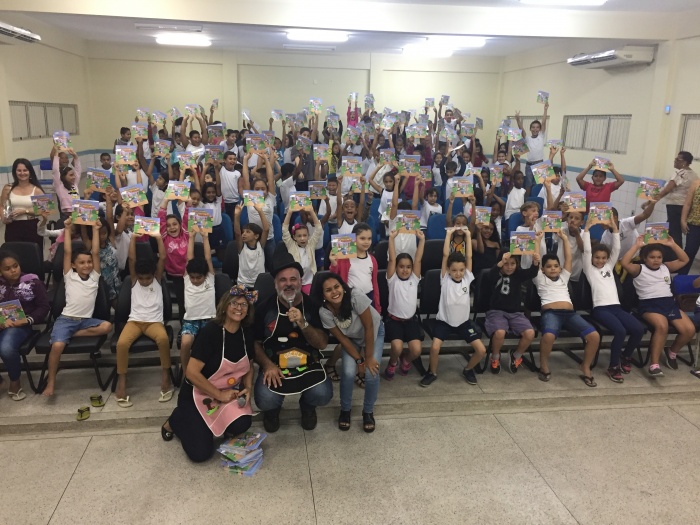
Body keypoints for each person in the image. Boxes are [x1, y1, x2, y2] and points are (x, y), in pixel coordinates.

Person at [162, 286, 256, 463]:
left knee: (243, 422)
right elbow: (191, 373)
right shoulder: (210, 332)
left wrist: (248, 388)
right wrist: (219, 394)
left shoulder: (247, 333)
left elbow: (249, 365)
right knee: (201, 454)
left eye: (244, 304)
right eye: (234, 303)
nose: (239, 308)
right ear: (225, 306)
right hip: (197, 394)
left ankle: (212, 426)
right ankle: (176, 420)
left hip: (227, 393)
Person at [253, 256, 332, 433]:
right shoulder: (264, 308)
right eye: (283, 280)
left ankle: (307, 406)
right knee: (265, 399)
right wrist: (267, 365)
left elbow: (322, 344)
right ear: (275, 284)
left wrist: (303, 324)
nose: (288, 284)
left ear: (301, 282)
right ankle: (272, 412)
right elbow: (254, 343)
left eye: (293, 279)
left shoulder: (313, 306)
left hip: (308, 364)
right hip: (275, 366)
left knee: (322, 394)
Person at [42, 219, 113, 396]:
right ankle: (51, 382)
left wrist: (95, 229)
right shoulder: (69, 276)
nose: (87, 265)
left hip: (85, 321)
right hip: (66, 319)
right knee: (57, 346)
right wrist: (67, 229)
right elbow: (67, 252)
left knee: (107, 326)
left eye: (88, 262)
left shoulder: (95, 277)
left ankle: (70, 335)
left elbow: (95, 252)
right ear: (74, 265)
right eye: (81, 263)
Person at [316, 273, 384, 433]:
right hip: (350, 338)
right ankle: (345, 410)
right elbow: (342, 339)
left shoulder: (355, 296)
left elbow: (369, 327)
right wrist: (359, 360)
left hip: (373, 332)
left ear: (343, 287)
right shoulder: (324, 312)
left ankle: (368, 411)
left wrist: (368, 358)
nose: (334, 292)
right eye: (328, 290)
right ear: (323, 295)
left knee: (372, 372)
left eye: (337, 287)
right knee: (347, 372)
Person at [419, 227, 486, 387]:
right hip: (444, 323)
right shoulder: (445, 279)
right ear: (448, 270)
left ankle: (468, 369)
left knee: (481, 350)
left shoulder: (467, 278)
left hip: (463, 323)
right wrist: (448, 235)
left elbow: (469, 256)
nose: (458, 273)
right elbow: (445, 255)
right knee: (434, 348)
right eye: (454, 270)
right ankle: (432, 372)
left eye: (461, 270)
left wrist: (468, 235)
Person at [621, 235, 695, 376]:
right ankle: (654, 365)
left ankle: (672, 352)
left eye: (659, 257)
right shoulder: (639, 269)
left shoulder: (666, 267)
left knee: (689, 330)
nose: (656, 260)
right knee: (662, 326)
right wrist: (637, 246)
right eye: (652, 257)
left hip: (669, 304)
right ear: (644, 258)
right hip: (649, 305)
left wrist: (672, 244)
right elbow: (624, 262)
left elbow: (685, 260)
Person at [582, 217, 644, 382]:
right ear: (592, 258)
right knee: (620, 331)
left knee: (638, 329)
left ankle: (626, 356)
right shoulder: (589, 270)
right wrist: (587, 228)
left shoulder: (609, 267)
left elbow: (616, 248)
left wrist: (615, 229)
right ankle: (613, 366)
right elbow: (587, 251)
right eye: (597, 258)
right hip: (600, 309)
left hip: (616, 308)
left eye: (603, 258)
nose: (600, 260)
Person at [534, 230, 600, 386]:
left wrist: (564, 238)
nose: (553, 269)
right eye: (548, 266)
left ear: (560, 268)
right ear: (543, 269)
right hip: (551, 314)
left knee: (594, 336)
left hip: (570, 314)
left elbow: (569, 258)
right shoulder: (539, 278)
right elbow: (536, 258)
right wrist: (537, 240)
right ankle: (543, 365)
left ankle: (585, 366)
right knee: (548, 336)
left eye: (556, 266)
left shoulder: (563, 277)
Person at [0, 250, 50, 401]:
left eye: (15, 266)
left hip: (21, 325)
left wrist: (27, 320)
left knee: (6, 348)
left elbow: (44, 307)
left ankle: (15, 381)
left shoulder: (32, 282)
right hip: (2, 322)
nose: (13, 270)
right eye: (7, 269)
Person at [485, 252, 538, 374]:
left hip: (515, 313)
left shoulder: (518, 274)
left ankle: (516, 356)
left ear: (517, 264)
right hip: (496, 311)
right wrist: (501, 263)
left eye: (512, 264)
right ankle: (495, 357)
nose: (509, 267)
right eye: (506, 264)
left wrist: (535, 262)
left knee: (530, 333)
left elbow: (532, 272)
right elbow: (490, 275)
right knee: (500, 332)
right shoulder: (496, 274)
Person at [382, 229, 425, 380]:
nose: (405, 270)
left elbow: (418, 259)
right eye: (401, 266)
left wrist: (422, 240)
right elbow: (392, 259)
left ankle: (405, 360)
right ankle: (393, 363)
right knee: (397, 347)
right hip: (394, 321)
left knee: (416, 350)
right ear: (396, 268)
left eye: (408, 267)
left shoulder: (414, 278)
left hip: (411, 321)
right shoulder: (392, 279)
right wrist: (391, 239)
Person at [180, 232, 216, 375]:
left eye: (198, 277)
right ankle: (186, 372)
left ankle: (211, 369)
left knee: (211, 344)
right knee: (185, 343)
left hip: (209, 320)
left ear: (205, 275)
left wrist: (205, 237)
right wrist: (191, 237)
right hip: (190, 320)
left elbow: (208, 258)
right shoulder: (187, 279)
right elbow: (189, 258)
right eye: (192, 277)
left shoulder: (210, 278)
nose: (194, 280)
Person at [0, 159, 46, 250]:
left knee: (33, 254)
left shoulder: (37, 189)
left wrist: (25, 211)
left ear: (30, 171)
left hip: (32, 226)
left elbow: (46, 210)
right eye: (19, 170)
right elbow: (1, 205)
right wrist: (3, 217)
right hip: (12, 227)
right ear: (15, 172)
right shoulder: (8, 188)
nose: (22, 173)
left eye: (25, 170)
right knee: (13, 253)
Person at [657, 151, 697, 247]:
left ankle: (675, 253)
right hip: (685, 207)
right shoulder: (694, 175)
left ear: (685, 162)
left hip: (675, 206)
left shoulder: (680, 173)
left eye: (677, 159)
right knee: (674, 229)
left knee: (674, 232)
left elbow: (667, 189)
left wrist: (653, 200)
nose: (674, 161)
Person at [282, 206, 323, 294]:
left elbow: (318, 229)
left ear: (308, 236)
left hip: (308, 282)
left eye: (305, 235)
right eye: (299, 236)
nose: (302, 238)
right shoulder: (291, 245)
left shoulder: (310, 245)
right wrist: (289, 212)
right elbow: (285, 229)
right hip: (295, 284)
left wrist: (311, 211)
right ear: (294, 237)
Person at [233, 202, 269, 288]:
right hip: (243, 284)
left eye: (248, 232)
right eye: (243, 232)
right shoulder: (241, 247)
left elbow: (266, 229)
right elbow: (237, 233)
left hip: (259, 284)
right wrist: (237, 216)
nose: (244, 234)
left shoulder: (260, 245)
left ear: (256, 236)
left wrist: (260, 211)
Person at [679, 176, 700, 274]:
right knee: (689, 252)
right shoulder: (696, 183)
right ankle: (681, 277)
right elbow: (687, 203)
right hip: (694, 224)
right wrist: (683, 220)